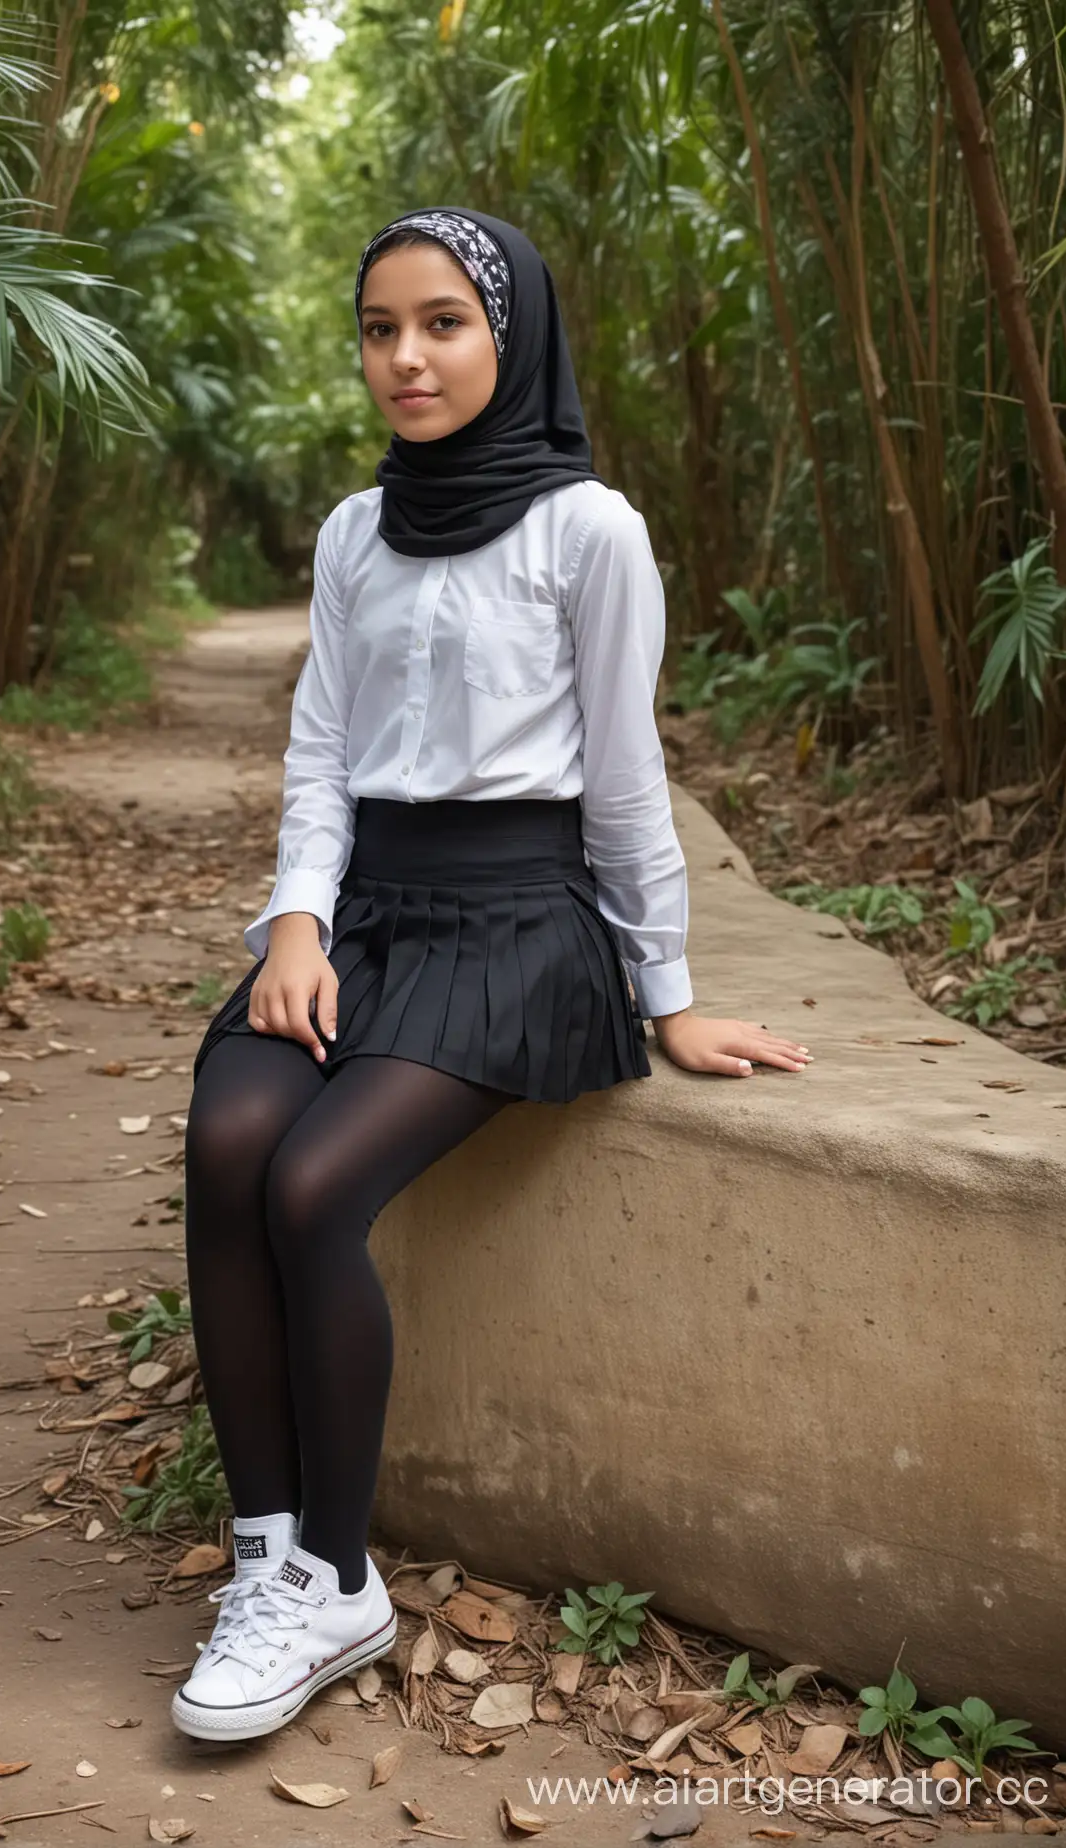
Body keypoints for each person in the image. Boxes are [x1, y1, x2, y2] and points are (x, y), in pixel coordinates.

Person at [170, 206, 811, 1745]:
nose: (406, 357)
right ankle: (268, 1553)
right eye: (381, 327)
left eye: (444, 323)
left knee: (317, 1183)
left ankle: (337, 1576)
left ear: (511, 338)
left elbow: (625, 779)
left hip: (523, 928)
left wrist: (667, 992)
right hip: (366, 914)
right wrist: (297, 926)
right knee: (229, 1138)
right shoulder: (350, 532)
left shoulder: (589, 530)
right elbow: (321, 755)